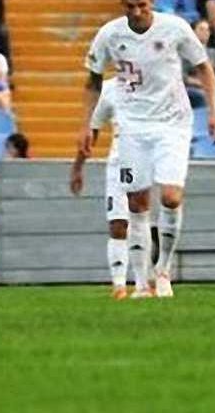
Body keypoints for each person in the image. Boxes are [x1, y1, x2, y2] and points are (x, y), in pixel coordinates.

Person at [79, 0, 215, 299]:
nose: (137, 12)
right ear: (122, 4)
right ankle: (142, 284)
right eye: (130, 6)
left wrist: (213, 112)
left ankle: (163, 269)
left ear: (151, 2)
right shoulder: (110, 34)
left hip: (172, 123)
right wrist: (86, 125)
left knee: (171, 197)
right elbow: (92, 81)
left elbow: (204, 68)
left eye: (142, 5)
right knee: (137, 203)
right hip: (132, 125)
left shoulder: (174, 28)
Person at [71, 76, 150, 298]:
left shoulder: (154, 84)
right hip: (117, 163)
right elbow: (92, 130)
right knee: (117, 223)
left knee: (139, 217)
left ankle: (142, 284)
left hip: (144, 160)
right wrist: (78, 167)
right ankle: (119, 285)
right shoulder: (109, 89)